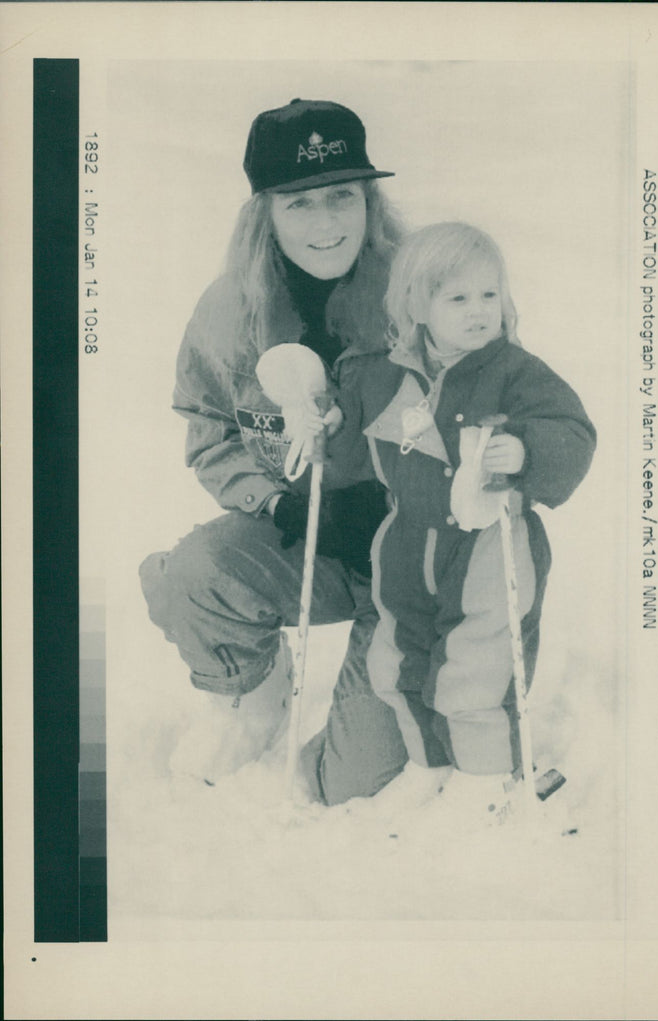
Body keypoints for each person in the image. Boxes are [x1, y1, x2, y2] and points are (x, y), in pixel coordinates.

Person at [139, 98, 409, 802]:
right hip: (312, 538)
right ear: (263, 213)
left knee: (350, 783)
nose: (326, 224)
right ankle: (253, 699)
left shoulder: (425, 290)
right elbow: (209, 428)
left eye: (342, 196)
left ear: (370, 203)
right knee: (193, 574)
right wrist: (277, 502)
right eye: (299, 203)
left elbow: (501, 403)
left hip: (417, 562)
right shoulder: (230, 310)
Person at [308, 221, 597, 824]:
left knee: (477, 663)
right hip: (408, 542)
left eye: (489, 295)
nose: (478, 312)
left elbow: (571, 431)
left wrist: (527, 452)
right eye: (457, 298)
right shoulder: (384, 376)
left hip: (490, 543)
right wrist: (324, 436)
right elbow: (347, 456)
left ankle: (486, 778)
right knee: (399, 658)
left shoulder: (515, 371)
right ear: (416, 305)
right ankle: (429, 764)